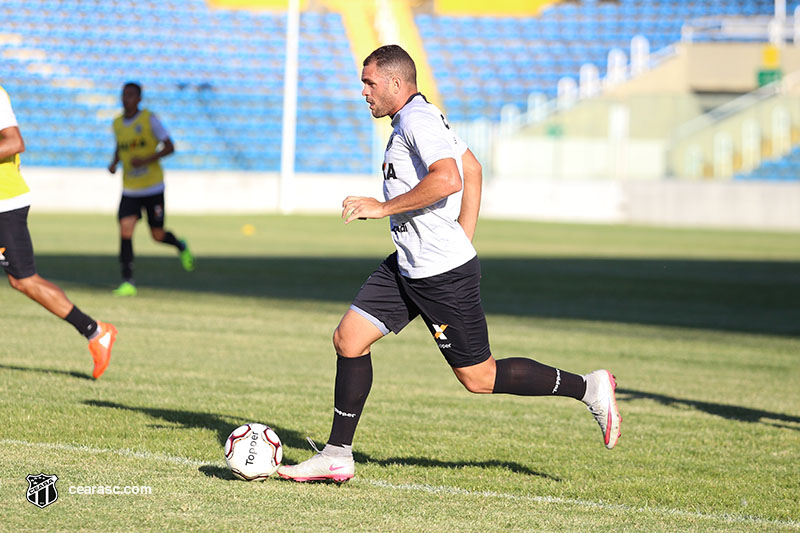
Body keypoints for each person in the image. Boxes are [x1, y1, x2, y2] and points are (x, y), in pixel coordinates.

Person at [277, 45, 622, 483]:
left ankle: (589, 388)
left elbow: (450, 178)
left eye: (369, 83)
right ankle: (337, 454)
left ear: (397, 84)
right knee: (348, 339)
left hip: (441, 276)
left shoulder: (418, 121)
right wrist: (463, 234)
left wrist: (383, 209)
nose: (363, 92)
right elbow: (473, 167)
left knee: (478, 377)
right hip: (408, 264)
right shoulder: (416, 116)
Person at [0, 85, 117, 379]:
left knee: (24, 280)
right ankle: (94, 331)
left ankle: (95, 331)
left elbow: (14, 142)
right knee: (22, 280)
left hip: (4, 202)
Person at [108, 82, 194, 296]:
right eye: (124, 94)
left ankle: (180, 245)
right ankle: (128, 281)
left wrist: (146, 159)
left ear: (139, 99)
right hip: (130, 188)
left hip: (152, 187)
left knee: (157, 235)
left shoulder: (149, 120)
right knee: (125, 230)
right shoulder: (117, 123)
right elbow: (120, 145)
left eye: (130, 95)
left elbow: (170, 146)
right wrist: (114, 162)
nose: (125, 98)